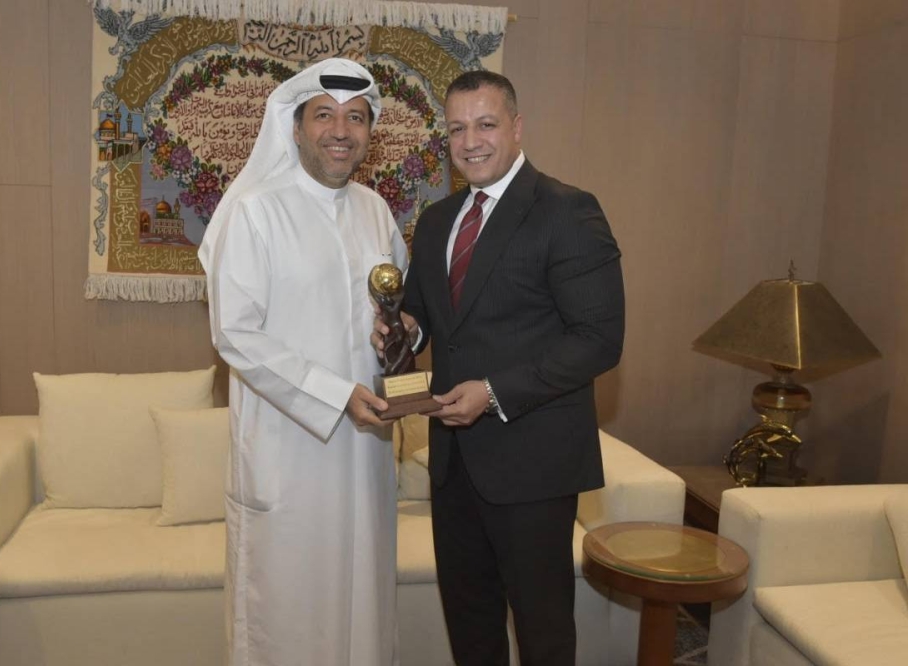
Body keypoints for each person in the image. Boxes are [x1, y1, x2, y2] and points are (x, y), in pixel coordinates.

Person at [374, 71, 625, 665]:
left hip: (533, 466)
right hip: (453, 465)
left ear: (516, 127)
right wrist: (405, 330)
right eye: (456, 129)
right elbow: (427, 315)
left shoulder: (567, 211)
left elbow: (598, 340)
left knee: (542, 634)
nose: (470, 142)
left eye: (485, 124)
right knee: (471, 626)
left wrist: (492, 392)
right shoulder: (437, 221)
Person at [199, 58, 406, 666]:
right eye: (324, 116)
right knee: (286, 614)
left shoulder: (376, 211)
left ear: (370, 132)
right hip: (287, 451)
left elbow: (395, 310)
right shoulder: (256, 210)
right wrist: (335, 394)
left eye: (356, 118)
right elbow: (235, 333)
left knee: (364, 605)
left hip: (366, 453)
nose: (340, 131)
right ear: (295, 128)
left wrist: (404, 335)